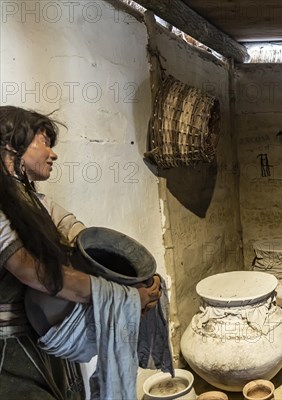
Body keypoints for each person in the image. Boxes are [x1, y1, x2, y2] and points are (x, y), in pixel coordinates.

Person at [0, 106, 162, 399]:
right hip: (9, 354)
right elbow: (33, 272)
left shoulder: (34, 201)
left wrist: (138, 280)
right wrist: (126, 298)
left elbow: (80, 235)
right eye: (44, 142)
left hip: (44, 343)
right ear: (12, 144)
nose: (54, 153)